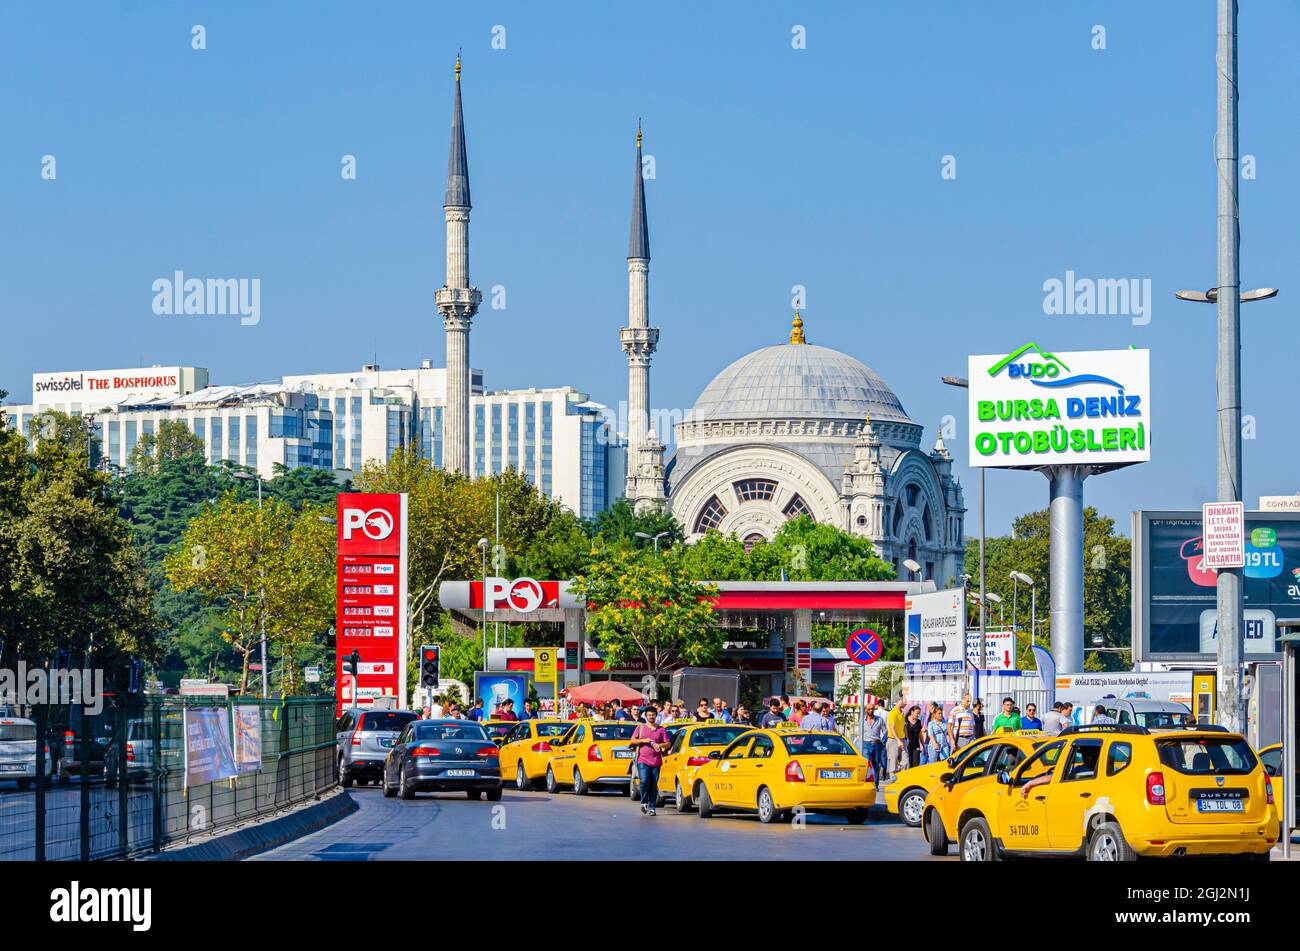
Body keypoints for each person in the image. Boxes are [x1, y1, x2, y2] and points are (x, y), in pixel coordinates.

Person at [629, 713, 671, 816]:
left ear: (656, 716)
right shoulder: (641, 727)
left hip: (656, 761)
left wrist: (660, 745)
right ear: (646, 716)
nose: (651, 717)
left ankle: (652, 807)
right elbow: (632, 740)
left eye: (653, 715)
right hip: (642, 760)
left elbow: (668, 743)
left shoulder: (661, 729)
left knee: (653, 785)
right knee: (644, 781)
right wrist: (644, 740)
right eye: (649, 715)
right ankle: (644, 802)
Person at [863, 701, 888, 786]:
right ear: (865, 710)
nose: (871, 710)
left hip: (876, 744)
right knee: (866, 763)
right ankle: (866, 782)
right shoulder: (862, 721)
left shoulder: (879, 719)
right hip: (866, 744)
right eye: (869, 709)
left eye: (872, 709)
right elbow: (859, 732)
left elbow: (885, 731)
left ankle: (876, 784)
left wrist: (882, 741)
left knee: (876, 764)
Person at [886, 697, 908, 777]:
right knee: (893, 763)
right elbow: (892, 728)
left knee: (905, 762)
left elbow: (904, 726)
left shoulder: (902, 713)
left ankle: (902, 779)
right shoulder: (892, 712)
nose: (906, 704)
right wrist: (898, 740)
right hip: (893, 740)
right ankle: (893, 782)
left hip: (902, 739)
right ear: (900, 701)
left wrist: (906, 738)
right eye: (904, 702)